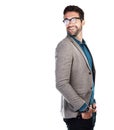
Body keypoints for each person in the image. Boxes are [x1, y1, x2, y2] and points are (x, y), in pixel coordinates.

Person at [55, 5, 97, 130]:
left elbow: (87, 76)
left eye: (73, 19)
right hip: (77, 115)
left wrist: (92, 102)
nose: (69, 23)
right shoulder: (64, 46)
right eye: (66, 20)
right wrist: (83, 108)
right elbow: (61, 83)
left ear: (83, 22)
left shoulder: (83, 45)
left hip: (89, 112)